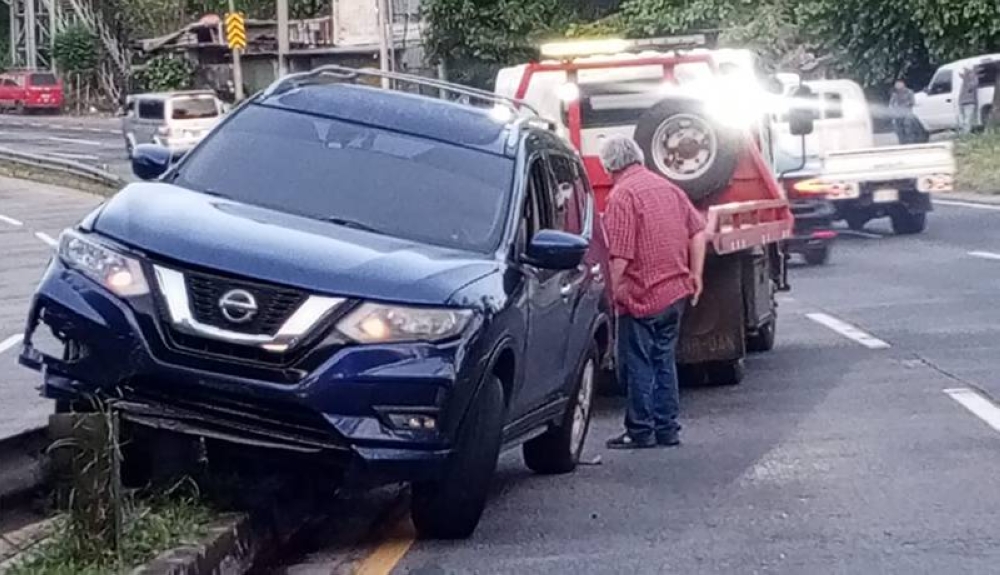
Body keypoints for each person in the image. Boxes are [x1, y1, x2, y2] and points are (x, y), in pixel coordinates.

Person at [600, 136, 707, 450]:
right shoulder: (668, 188)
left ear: (609, 166)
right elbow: (698, 230)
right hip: (676, 292)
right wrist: (696, 274)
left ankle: (640, 430)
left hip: (641, 296)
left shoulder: (622, 196)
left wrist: (608, 295)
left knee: (637, 364)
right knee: (664, 360)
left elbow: (620, 256)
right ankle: (668, 428)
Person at [889, 79, 917, 144]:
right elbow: (891, 104)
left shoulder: (909, 92)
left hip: (907, 113)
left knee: (908, 128)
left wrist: (904, 106)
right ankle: (902, 143)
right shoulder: (895, 94)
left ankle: (910, 142)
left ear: (903, 85)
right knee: (898, 129)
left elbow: (912, 102)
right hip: (898, 114)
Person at [959, 66, 980, 134]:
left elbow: (974, 84)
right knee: (966, 119)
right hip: (966, 102)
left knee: (966, 119)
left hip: (967, 102)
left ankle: (965, 133)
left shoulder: (970, 81)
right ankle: (965, 133)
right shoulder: (967, 82)